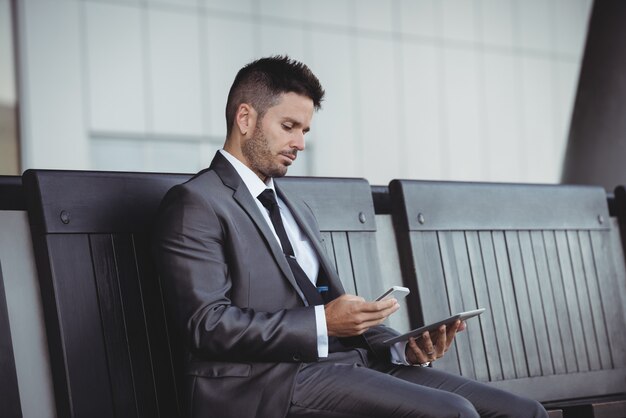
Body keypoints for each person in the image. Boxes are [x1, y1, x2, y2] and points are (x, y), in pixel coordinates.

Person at [153, 55, 548, 418]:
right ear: (245, 118)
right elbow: (207, 325)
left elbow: (324, 302)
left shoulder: (295, 208)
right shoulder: (196, 203)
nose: (300, 143)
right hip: (265, 384)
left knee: (523, 412)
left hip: (350, 365)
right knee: (454, 413)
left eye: (305, 130)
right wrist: (323, 324)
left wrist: (401, 347)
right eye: (288, 126)